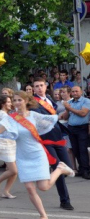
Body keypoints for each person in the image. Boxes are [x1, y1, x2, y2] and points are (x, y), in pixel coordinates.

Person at [0, 91, 75, 219]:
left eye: (19, 100)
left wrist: (65, 112)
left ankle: (60, 168)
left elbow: (52, 120)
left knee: (43, 187)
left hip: (37, 154)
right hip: (22, 156)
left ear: (26, 101)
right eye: (14, 100)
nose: (16, 103)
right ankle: (43, 216)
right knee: (30, 188)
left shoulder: (34, 116)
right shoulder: (10, 118)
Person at [31, 78, 75, 210]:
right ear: (34, 89)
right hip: (46, 139)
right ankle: (65, 200)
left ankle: (46, 174)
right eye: (36, 86)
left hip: (58, 137)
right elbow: (41, 120)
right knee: (58, 168)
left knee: (68, 167)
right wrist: (55, 117)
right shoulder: (33, 102)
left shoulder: (49, 99)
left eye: (41, 85)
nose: (39, 88)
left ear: (46, 86)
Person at [61, 86, 90, 180]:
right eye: (73, 91)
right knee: (76, 150)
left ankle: (86, 170)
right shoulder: (70, 103)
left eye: (76, 91)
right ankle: (81, 169)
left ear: (81, 92)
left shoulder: (86, 101)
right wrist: (67, 109)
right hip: (71, 128)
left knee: (83, 150)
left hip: (82, 128)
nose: (74, 93)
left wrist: (69, 108)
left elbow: (83, 113)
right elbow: (65, 117)